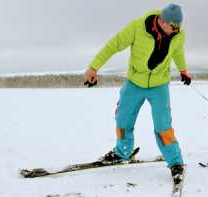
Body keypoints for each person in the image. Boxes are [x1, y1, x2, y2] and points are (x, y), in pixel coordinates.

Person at [83, 4, 191, 182]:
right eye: (173, 27)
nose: (176, 31)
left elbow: (177, 52)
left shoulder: (178, 35)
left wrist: (183, 70)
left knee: (163, 126)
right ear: (162, 21)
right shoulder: (137, 27)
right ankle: (122, 152)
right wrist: (94, 67)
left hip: (159, 85)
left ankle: (175, 162)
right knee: (123, 119)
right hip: (134, 83)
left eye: (178, 28)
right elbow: (114, 45)